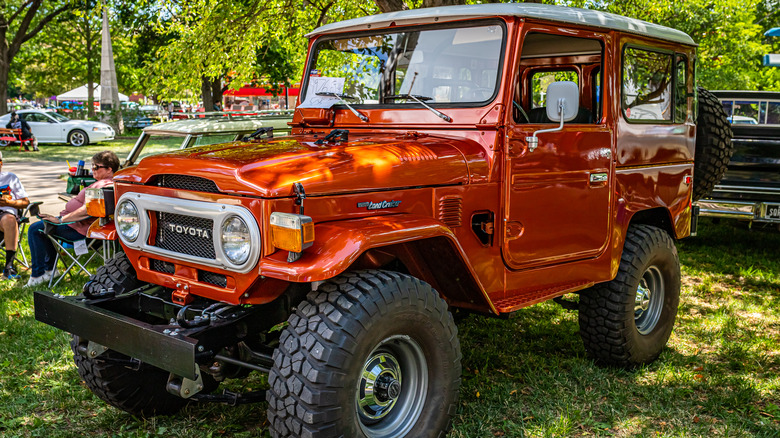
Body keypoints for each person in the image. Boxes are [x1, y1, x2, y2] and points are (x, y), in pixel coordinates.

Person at [25, 150, 119, 287]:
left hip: (80, 229)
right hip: (76, 224)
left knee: (36, 228)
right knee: (43, 227)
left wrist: (61, 220)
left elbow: (88, 210)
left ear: (109, 169)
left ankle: (39, 274)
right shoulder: (103, 183)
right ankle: (50, 270)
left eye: (96, 167)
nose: (92, 169)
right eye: (92, 166)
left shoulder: (104, 185)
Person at [0, 151, 30, 280]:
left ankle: (9, 267)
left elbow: (25, 202)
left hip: (5, 214)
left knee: (9, 219)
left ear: (1, 163)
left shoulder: (10, 177)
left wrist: (9, 202)